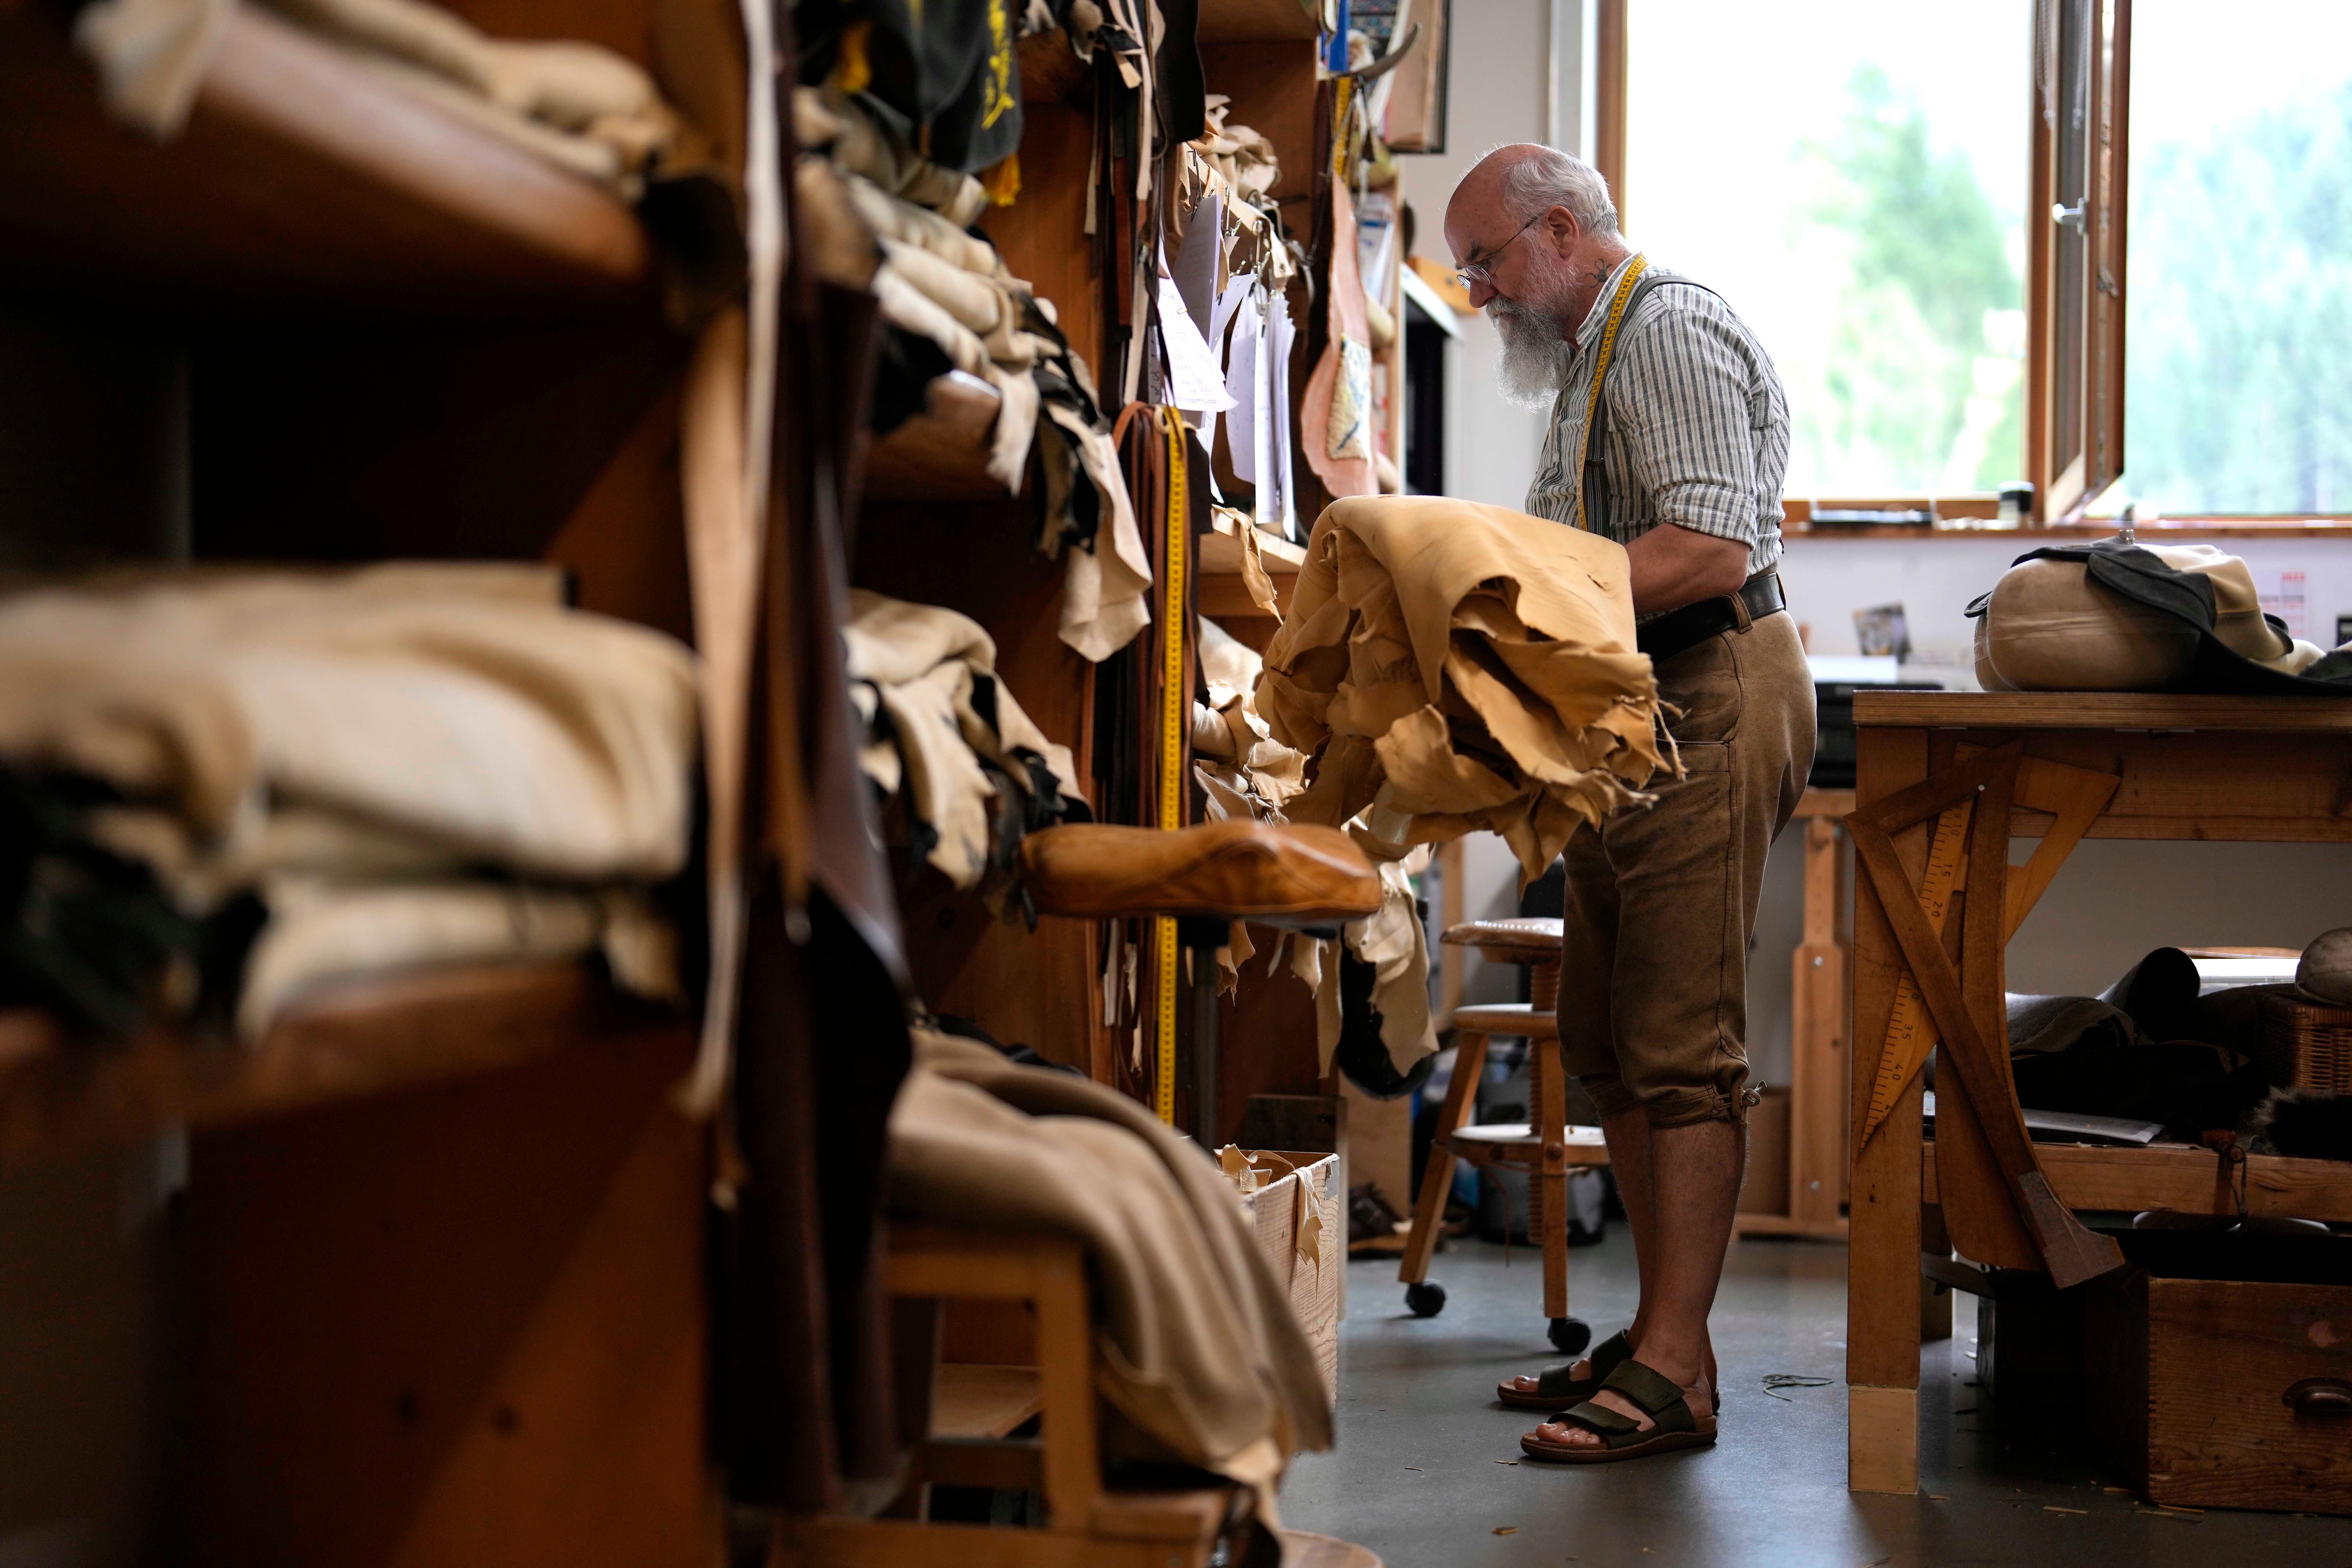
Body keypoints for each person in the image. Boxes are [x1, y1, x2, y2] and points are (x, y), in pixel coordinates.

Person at [1443, 144, 1815, 1463]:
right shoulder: (1592, 355)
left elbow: (1708, 547)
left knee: (1678, 1043)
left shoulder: (1663, 329)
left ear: (1559, 229)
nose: (1478, 293)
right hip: (1638, 711)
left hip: (1709, 687)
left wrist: (1509, 603)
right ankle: (1670, 1338)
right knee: (1604, 1033)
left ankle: (1673, 1368)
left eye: (1486, 262)